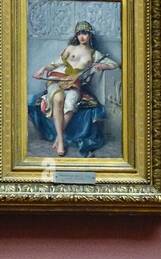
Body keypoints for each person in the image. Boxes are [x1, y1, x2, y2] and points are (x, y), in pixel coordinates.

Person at [31, 21, 118, 157]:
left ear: (90, 35)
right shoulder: (70, 48)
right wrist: (42, 69)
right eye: (79, 34)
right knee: (58, 99)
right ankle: (60, 140)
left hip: (74, 83)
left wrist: (102, 66)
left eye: (85, 33)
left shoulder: (95, 54)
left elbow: (114, 64)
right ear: (76, 36)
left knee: (71, 103)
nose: (82, 36)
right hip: (58, 79)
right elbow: (54, 64)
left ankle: (58, 138)